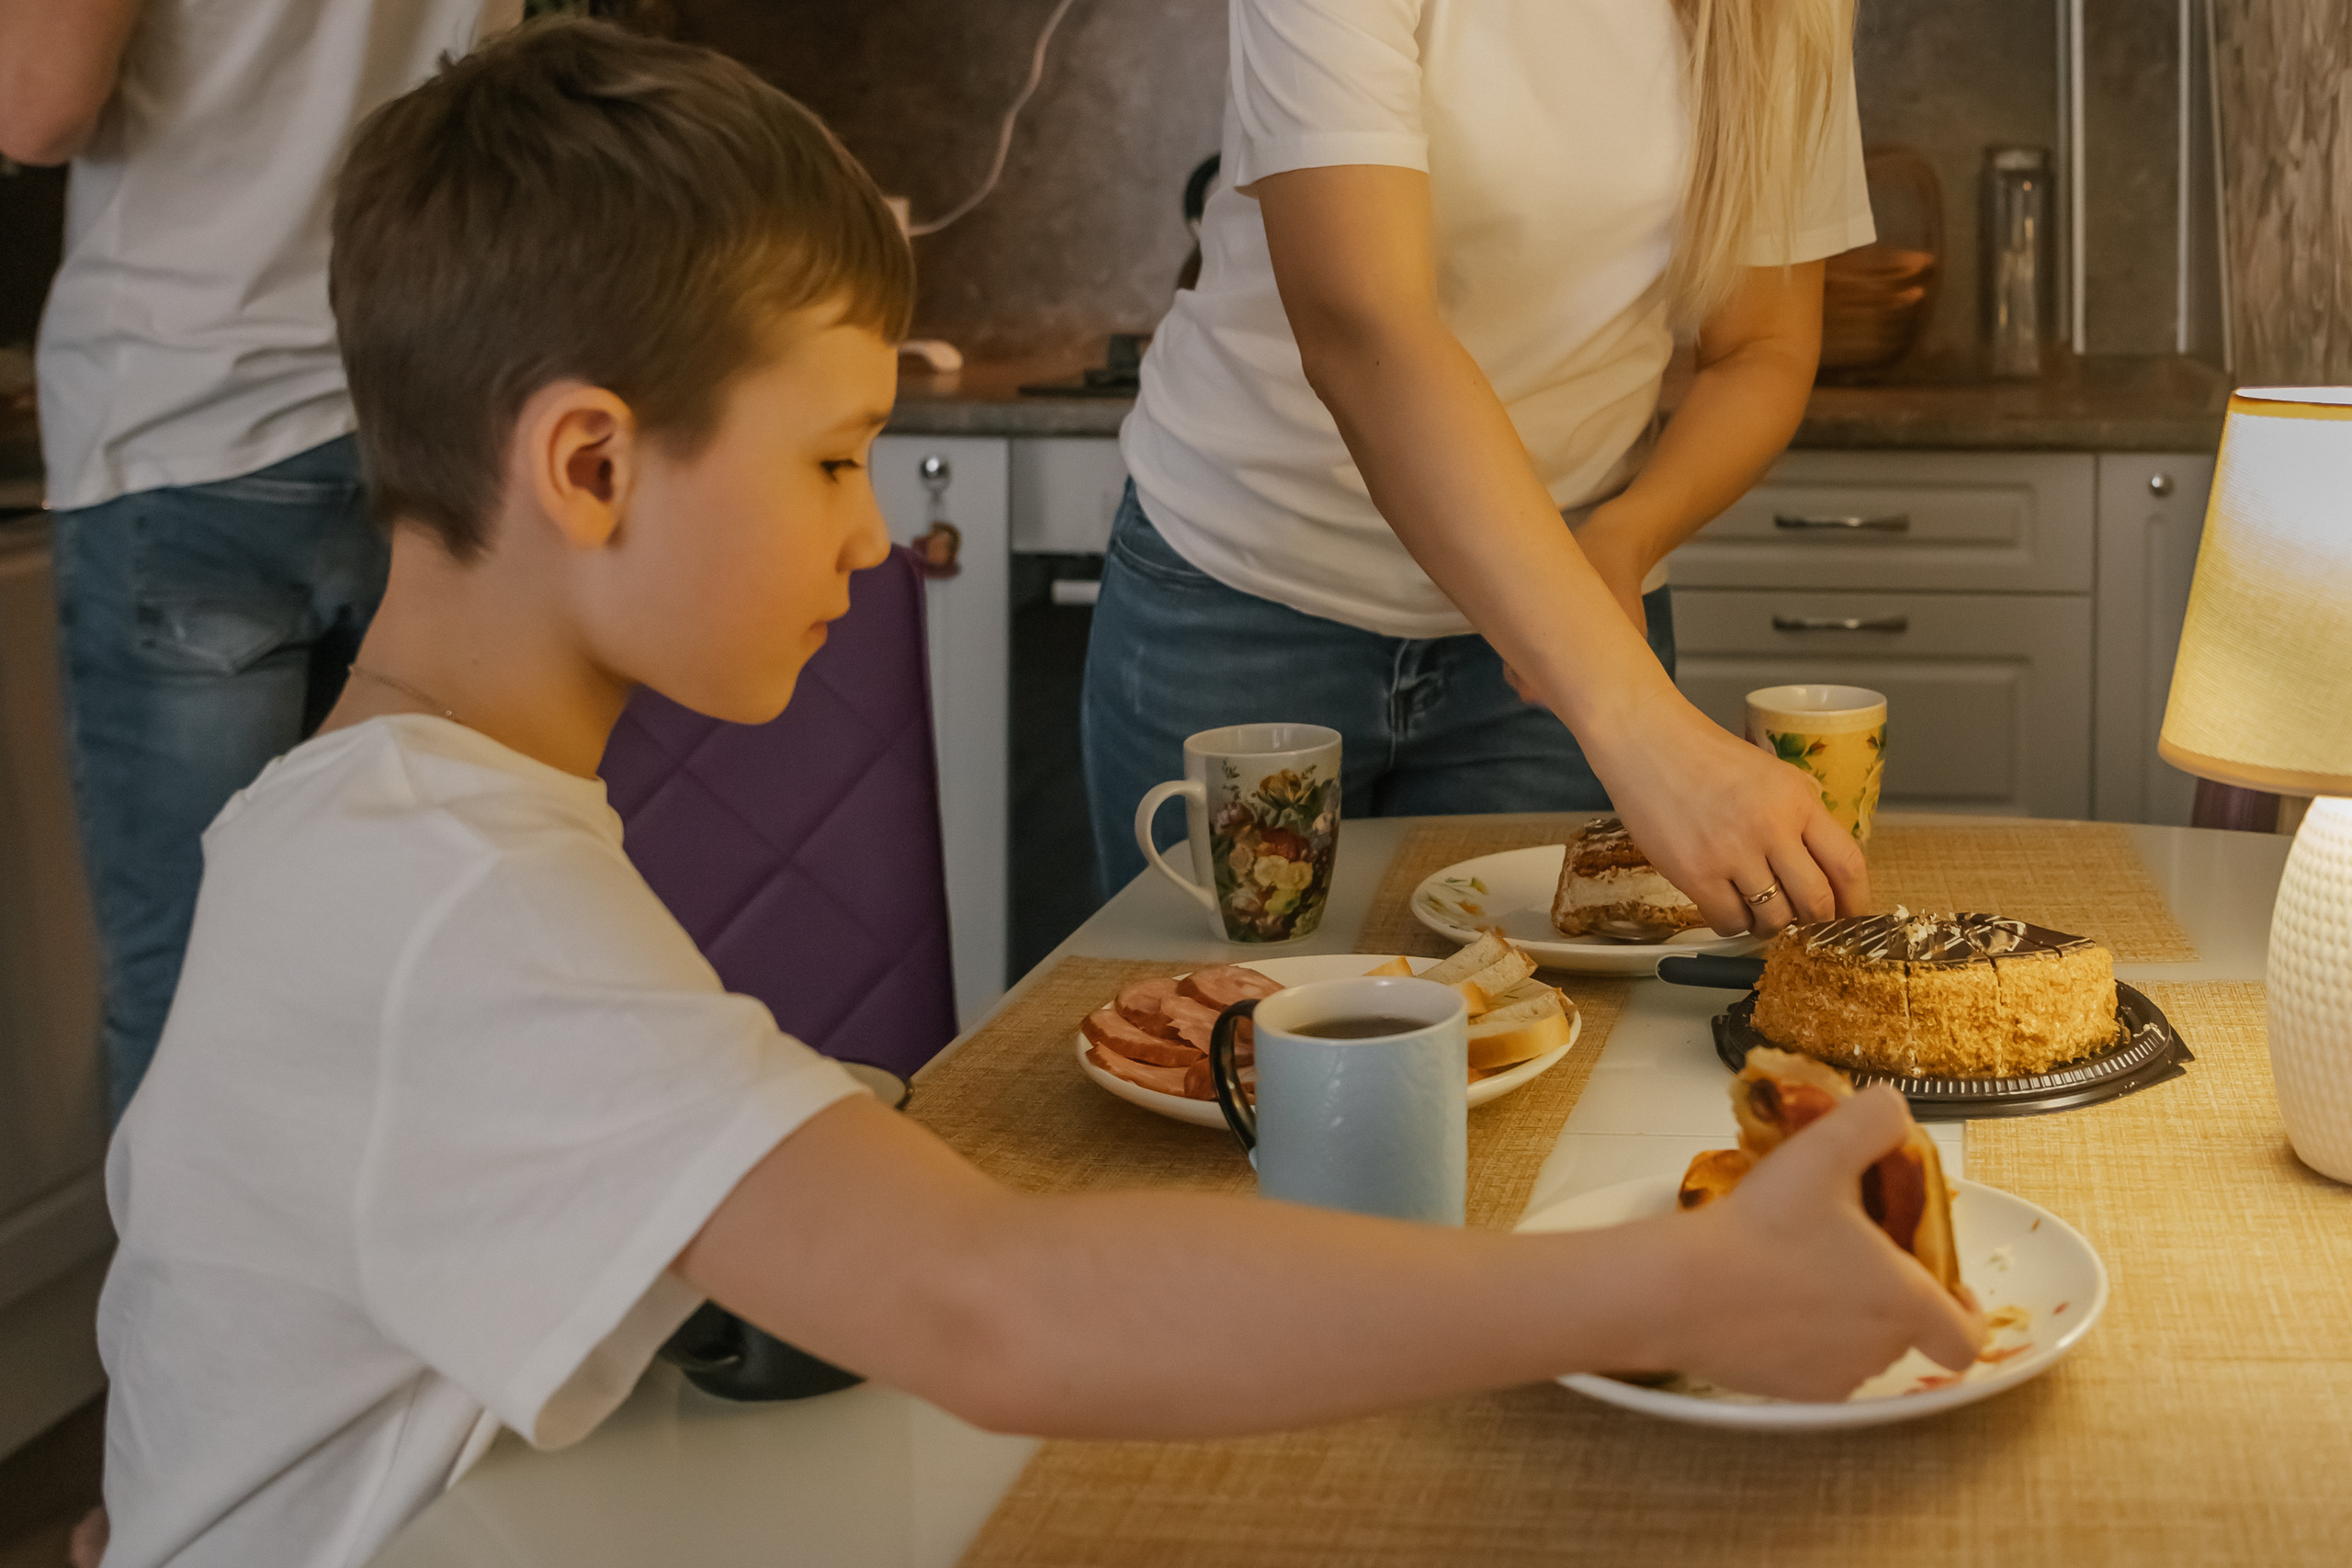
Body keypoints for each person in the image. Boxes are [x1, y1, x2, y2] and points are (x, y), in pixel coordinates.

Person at [94, 24, 1981, 1566]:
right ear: (588, 465)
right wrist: (1663, 1287)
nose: (860, 533)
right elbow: (995, 1307)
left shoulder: (392, 826)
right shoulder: (441, 894)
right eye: (834, 460)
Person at [1085, 0, 1873, 934]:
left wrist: (1623, 537)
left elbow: (1763, 348)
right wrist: (1644, 731)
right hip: (1242, 603)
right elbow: (1363, 328)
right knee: (1206, 1036)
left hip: (1559, 645)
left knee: (1548, 1052)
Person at [0, 0, 520, 1119]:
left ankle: (201, 1302)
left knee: (196, 992)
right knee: (391, 978)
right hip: (406, 406)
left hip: (191, 419)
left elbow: (34, 105)